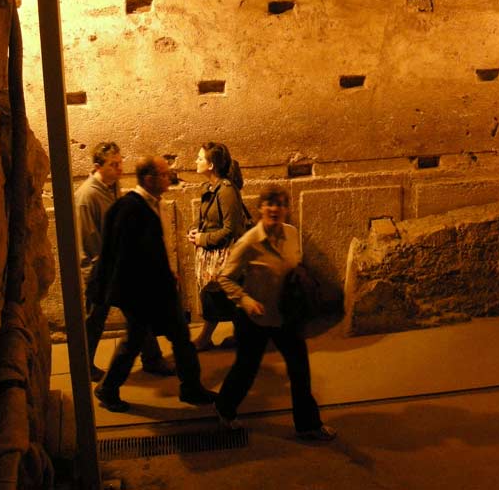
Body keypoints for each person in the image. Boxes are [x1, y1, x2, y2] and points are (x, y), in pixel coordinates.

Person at [91, 156, 217, 412]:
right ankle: (109, 388)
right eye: (164, 174)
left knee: (167, 338)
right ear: (148, 179)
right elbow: (125, 257)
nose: (169, 178)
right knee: (151, 339)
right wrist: (150, 289)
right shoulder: (130, 209)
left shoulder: (149, 204)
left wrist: (168, 273)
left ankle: (189, 387)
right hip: (143, 292)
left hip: (155, 288)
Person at [214, 186, 337, 441]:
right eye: (269, 204)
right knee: (246, 369)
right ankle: (224, 407)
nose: (274, 209)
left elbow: (295, 265)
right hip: (254, 319)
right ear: (260, 208)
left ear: (286, 209)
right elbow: (225, 278)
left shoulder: (292, 234)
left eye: (280, 204)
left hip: (286, 316)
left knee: (300, 370)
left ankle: (307, 425)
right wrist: (245, 300)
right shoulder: (249, 242)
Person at [75, 142, 173, 381]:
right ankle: (84, 365)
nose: (120, 169)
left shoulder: (111, 187)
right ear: (98, 166)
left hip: (118, 267)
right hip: (102, 269)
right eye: (114, 164)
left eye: (120, 163)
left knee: (138, 313)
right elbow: (90, 239)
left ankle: (152, 358)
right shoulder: (87, 196)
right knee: (94, 320)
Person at [188, 142, 250, 351]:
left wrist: (202, 239)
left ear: (211, 164)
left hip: (224, 256)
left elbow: (230, 230)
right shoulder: (209, 188)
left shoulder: (226, 190)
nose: (196, 161)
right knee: (216, 297)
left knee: (220, 296)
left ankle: (208, 337)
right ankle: (238, 336)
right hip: (212, 255)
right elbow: (209, 220)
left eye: (200, 158)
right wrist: (196, 231)